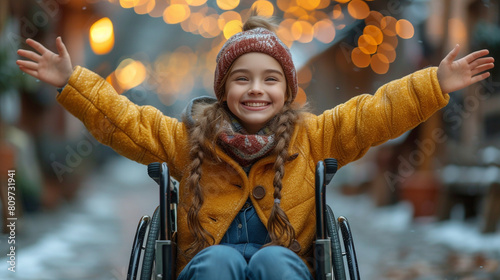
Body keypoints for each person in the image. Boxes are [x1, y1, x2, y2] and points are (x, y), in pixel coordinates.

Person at [17, 15, 493, 280]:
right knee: (218, 260)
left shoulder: (314, 135)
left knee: (274, 259)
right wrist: (71, 82)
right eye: (241, 79)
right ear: (224, 89)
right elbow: (124, 121)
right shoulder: (189, 140)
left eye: (270, 79)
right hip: (207, 266)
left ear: (287, 89)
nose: (255, 90)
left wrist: (435, 84)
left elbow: (375, 112)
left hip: (284, 264)